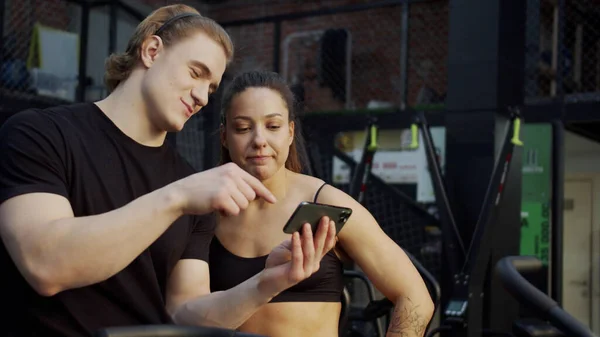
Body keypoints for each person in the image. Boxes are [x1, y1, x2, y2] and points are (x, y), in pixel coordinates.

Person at [0, 5, 336, 337]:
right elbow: (45, 265)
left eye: (211, 87)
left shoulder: (191, 184)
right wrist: (176, 199)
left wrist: (266, 283)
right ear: (151, 50)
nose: (203, 96)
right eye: (195, 73)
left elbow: (184, 312)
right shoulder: (40, 134)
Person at [212, 70, 436, 337]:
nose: (259, 140)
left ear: (290, 132)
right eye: (243, 128)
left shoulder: (326, 203)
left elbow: (415, 298)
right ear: (225, 136)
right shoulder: (204, 209)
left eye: (273, 126)